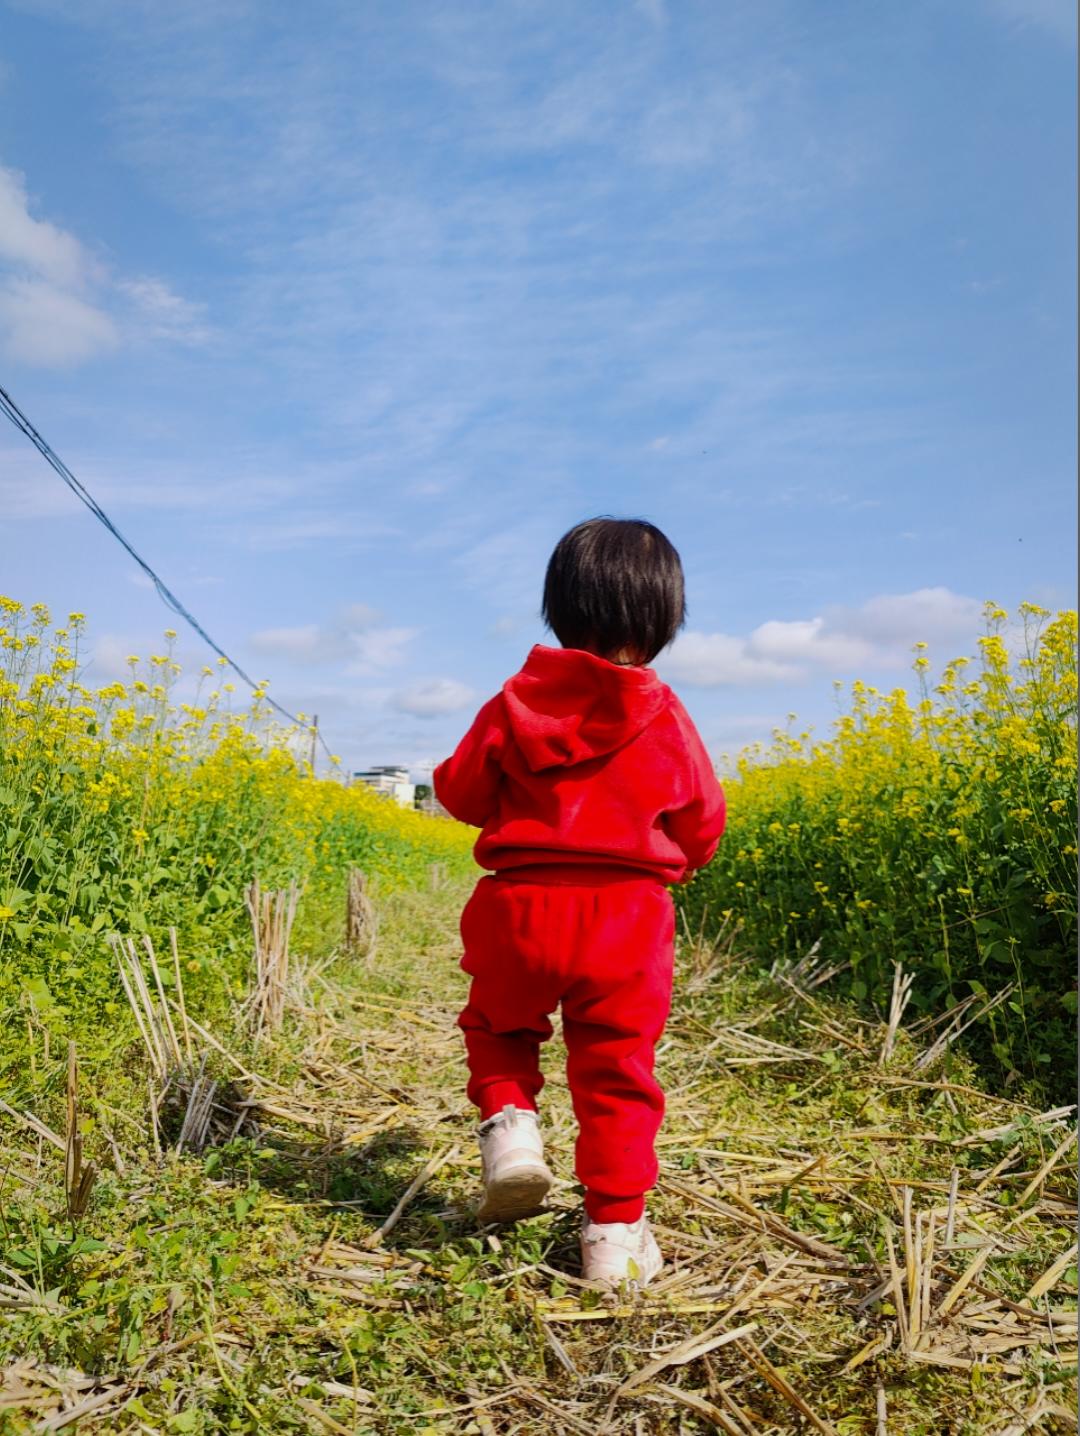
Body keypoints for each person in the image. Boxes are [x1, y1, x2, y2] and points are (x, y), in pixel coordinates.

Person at [433, 517, 725, 1287]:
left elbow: (460, 793)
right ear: (665, 618)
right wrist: (683, 857)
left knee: (500, 1027)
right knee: (617, 1071)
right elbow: (704, 820)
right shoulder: (666, 714)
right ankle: (614, 1238)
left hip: (519, 910)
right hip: (627, 920)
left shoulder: (512, 704)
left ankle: (512, 1134)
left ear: (557, 608)